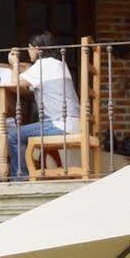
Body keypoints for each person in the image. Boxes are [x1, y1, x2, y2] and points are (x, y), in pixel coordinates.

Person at [11, 32, 80, 179]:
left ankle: (20, 179)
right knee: (36, 126)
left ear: (37, 49)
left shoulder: (42, 65)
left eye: (29, 49)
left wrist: (15, 64)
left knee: (14, 135)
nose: (28, 52)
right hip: (74, 123)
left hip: (60, 125)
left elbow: (15, 84)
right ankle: (44, 171)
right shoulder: (59, 64)